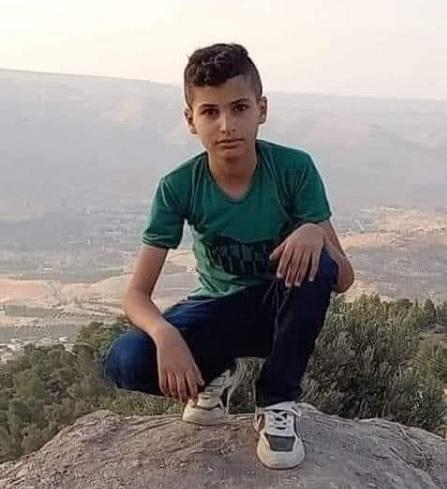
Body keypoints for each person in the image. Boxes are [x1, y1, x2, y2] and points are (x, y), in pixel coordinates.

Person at [103, 43, 355, 470]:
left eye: (239, 108)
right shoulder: (179, 186)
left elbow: (342, 278)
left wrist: (314, 232)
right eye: (210, 112)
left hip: (282, 312)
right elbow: (136, 295)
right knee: (124, 360)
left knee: (319, 264)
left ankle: (277, 403)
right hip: (219, 311)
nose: (226, 125)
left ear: (261, 109)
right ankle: (217, 373)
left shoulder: (293, 169)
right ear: (191, 120)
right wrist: (167, 336)